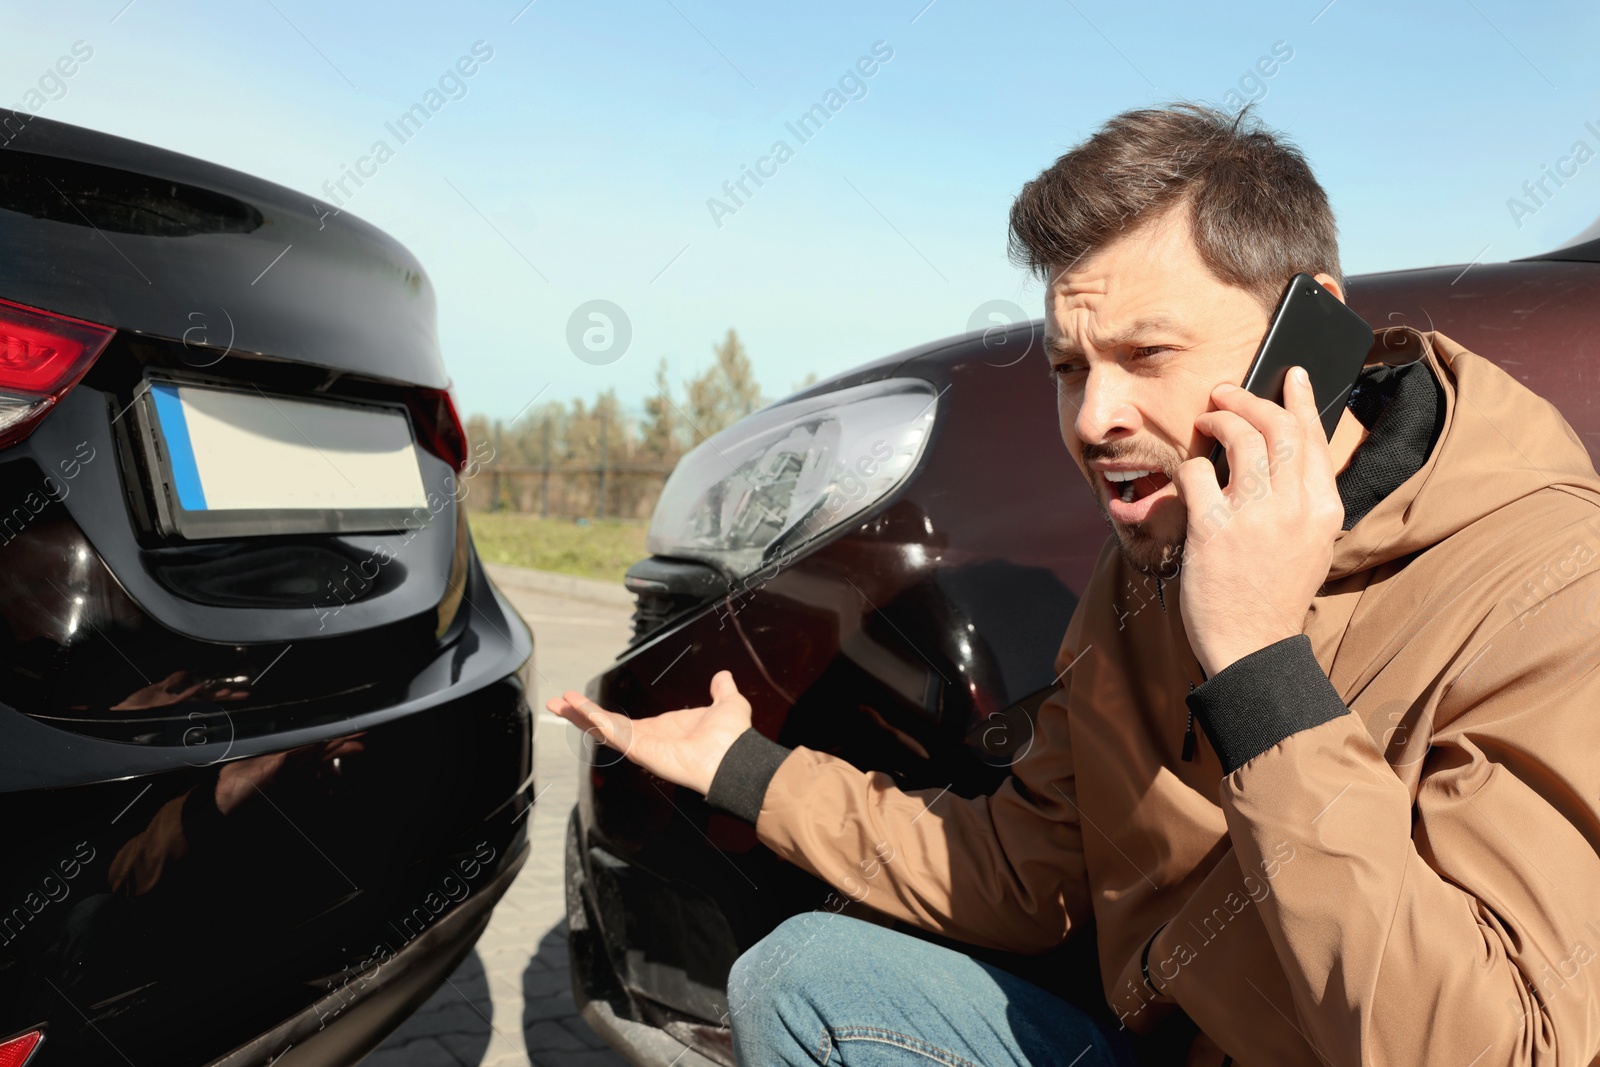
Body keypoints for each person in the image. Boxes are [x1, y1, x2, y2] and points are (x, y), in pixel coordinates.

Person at [549, 103, 1600, 1066]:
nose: (1092, 418)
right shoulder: (1151, 554)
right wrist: (748, 770)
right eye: (1067, 366)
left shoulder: (1549, 583)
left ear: (1312, 333)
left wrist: (1263, 669)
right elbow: (1021, 868)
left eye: (1146, 353)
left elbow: (1492, 1045)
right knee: (804, 977)